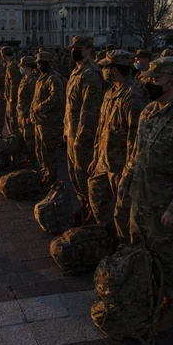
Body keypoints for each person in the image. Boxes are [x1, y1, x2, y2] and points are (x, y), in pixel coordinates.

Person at [118, 56, 173, 331]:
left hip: (165, 205)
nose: (149, 83)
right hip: (141, 200)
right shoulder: (148, 112)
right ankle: (149, 295)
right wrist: (126, 178)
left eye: (154, 79)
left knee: (169, 258)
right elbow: (136, 152)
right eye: (148, 78)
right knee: (141, 252)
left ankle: (172, 305)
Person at [88, 50, 147, 241]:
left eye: (105, 67)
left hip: (121, 165)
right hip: (104, 160)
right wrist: (96, 155)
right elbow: (102, 126)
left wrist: (128, 174)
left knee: (123, 213)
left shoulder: (132, 97)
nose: (102, 70)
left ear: (114, 70)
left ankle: (126, 249)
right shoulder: (111, 91)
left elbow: (136, 140)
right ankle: (106, 235)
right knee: (95, 193)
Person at [64, 35, 104, 221]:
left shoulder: (91, 74)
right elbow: (70, 105)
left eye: (78, 48)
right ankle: (84, 205)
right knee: (73, 173)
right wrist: (66, 129)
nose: (74, 51)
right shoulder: (76, 71)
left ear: (88, 49)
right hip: (72, 132)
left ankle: (93, 212)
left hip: (82, 136)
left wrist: (81, 137)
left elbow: (90, 110)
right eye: (73, 47)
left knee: (83, 175)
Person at [30, 51, 67, 186]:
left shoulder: (53, 79)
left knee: (48, 152)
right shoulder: (41, 78)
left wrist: (40, 107)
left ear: (49, 63)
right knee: (40, 151)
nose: (40, 65)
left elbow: (56, 98)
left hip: (50, 122)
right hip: (40, 121)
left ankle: (51, 179)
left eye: (42, 63)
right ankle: (46, 175)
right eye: (38, 63)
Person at [16, 55, 40, 167]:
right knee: (24, 138)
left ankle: (32, 160)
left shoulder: (33, 81)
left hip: (27, 116)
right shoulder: (24, 79)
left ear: (28, 67)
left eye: (23, 66)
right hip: (21, 114)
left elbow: (34, 100)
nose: (21, 68)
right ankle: (27, 158)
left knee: (30, 139)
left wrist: (31, 115)